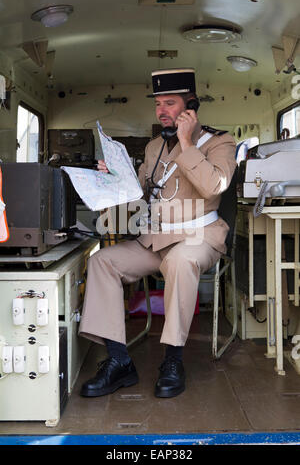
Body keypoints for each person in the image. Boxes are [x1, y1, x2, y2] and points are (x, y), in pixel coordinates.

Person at [79, 68, 237, 398]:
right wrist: (114, 179)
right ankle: (120, 362)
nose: (162, 111)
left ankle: (173, 360)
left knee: (181, 261)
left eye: (170, 103)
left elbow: (214, 186)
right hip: (157, 238)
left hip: (200, 237)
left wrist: (184, 142)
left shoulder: (220, 142)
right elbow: (140, 194)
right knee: (101, 262)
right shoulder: (153, 148)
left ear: (190, 106)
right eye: (158, 104)